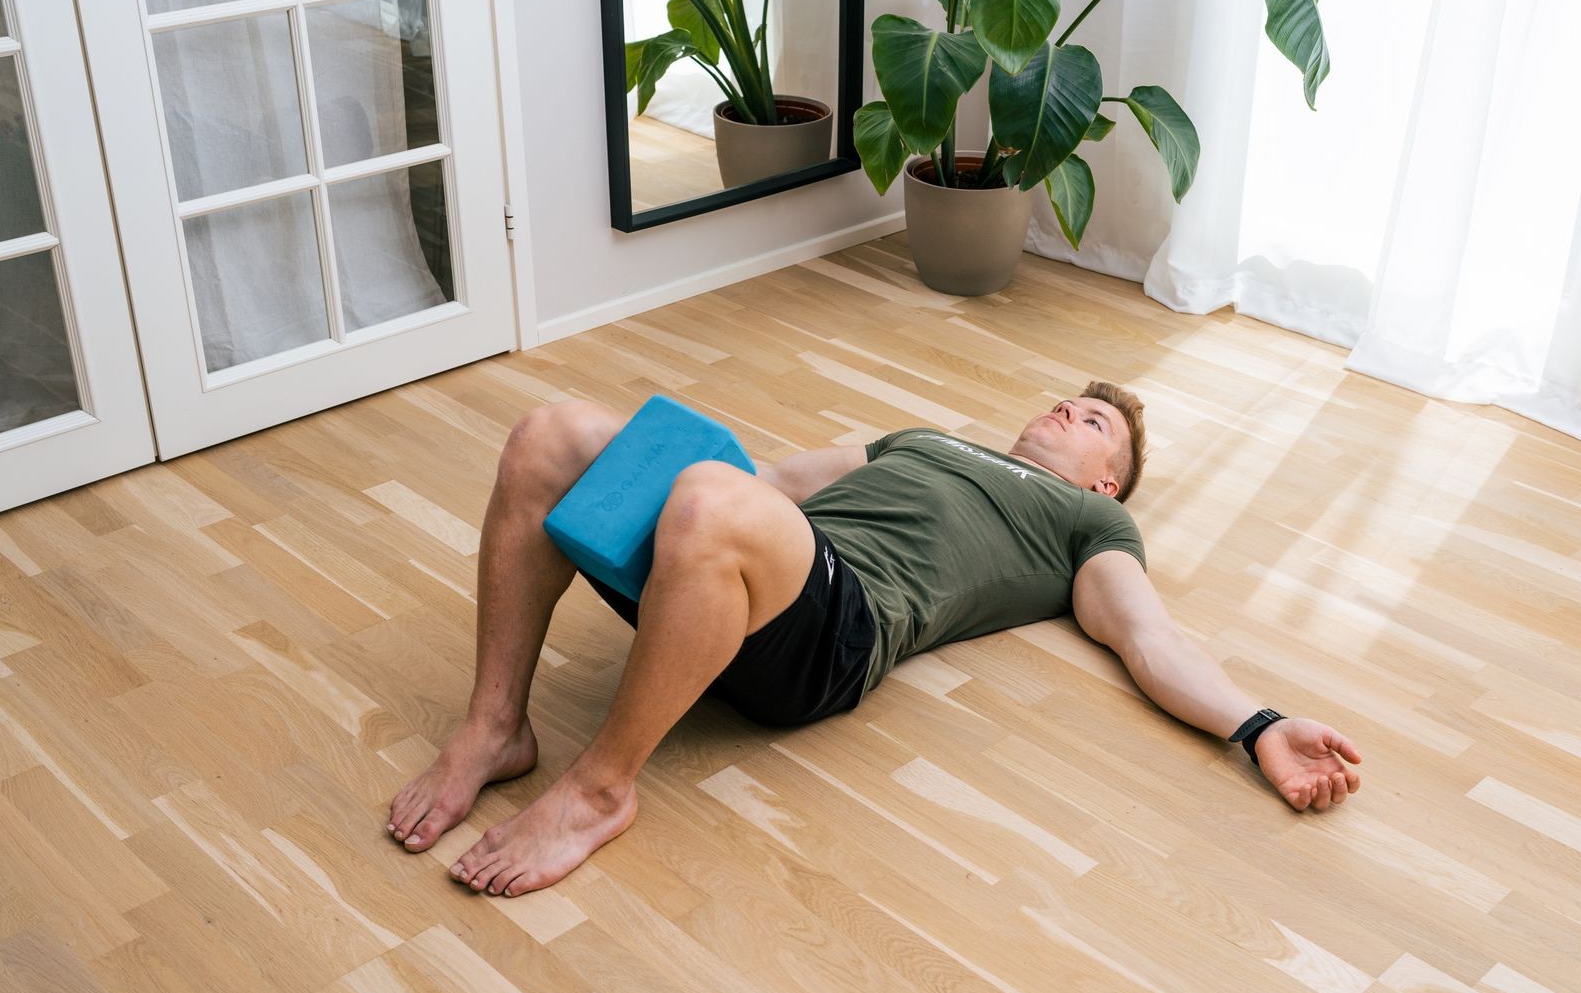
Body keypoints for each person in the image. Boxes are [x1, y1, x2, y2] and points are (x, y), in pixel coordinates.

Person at [386, 382, 1364, 897]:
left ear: (1105, 478)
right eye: (1068, 398)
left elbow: (1151, 637)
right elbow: (772, 478)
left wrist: (1259, 722)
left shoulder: (1088, 527)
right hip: (742, 563)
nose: (1069, 408)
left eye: (1095, 420)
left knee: (706, 500)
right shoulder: (925, 440)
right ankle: (494, 725)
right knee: (553, 431)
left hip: (834, 628)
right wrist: (644, 471)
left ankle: (599, 789)